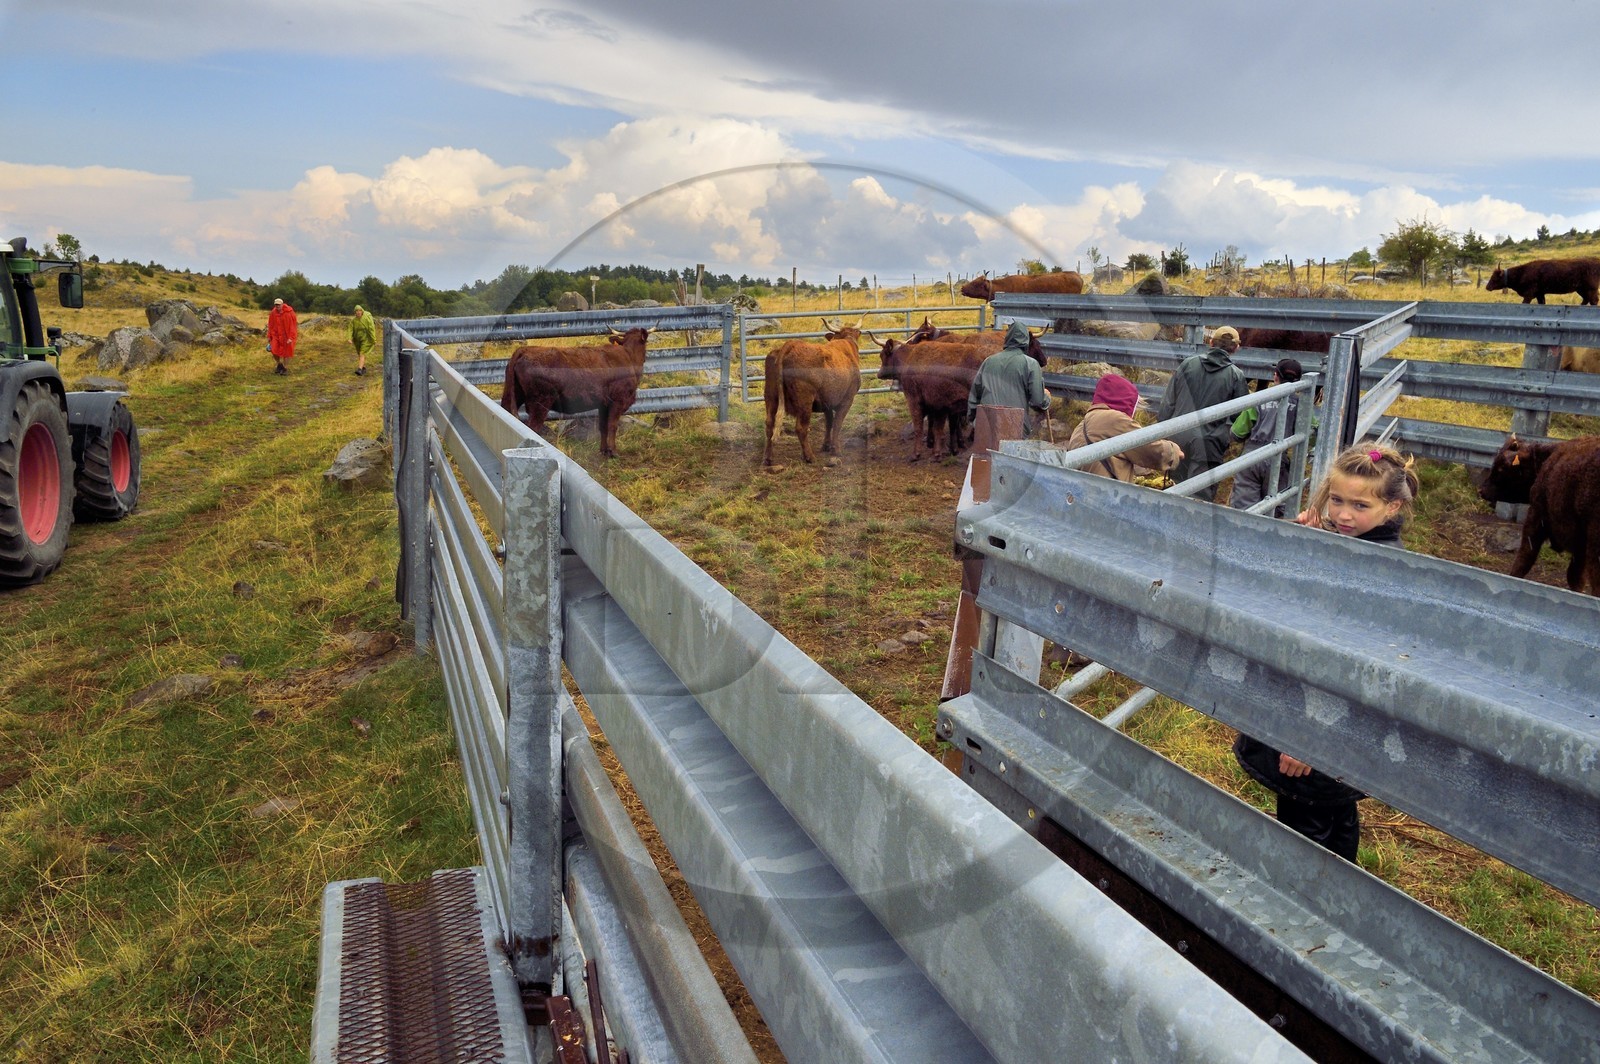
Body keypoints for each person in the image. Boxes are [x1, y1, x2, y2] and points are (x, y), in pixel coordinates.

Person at [1232, 443, 1421, 861]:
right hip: (1336, 730)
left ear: (1392, 508)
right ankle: (1340, 891)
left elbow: (1349, 663)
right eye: (1336, 500)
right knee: (1336, 814)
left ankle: (1306, 908)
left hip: (1316, 728)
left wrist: (1308, 739)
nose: (1343, 514)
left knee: (1306, 836)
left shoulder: (1377, 574)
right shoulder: (1356, 550)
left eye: (1359, 505)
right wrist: (1308, 548)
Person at [1157, 324, 1248, 500]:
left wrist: (1164, 433)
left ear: (1211, 342)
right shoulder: (1236, 376)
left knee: (1174, 490)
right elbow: (1240, 416)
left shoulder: (1187, 364)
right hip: (1209, 444)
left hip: (1178, 436)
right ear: (1236, 348)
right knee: (1200, 498)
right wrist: (1227, 437)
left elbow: (1167, 404)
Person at [1228, 358, 1313, 516]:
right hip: (1279, 458)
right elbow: (1312, 432)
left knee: (1244, 507)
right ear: (1299, 381)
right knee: (1277, 505)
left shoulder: (1259, 399)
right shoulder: (1302, 405)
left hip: (1252, 457)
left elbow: (1237, 433)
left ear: (1275, 376)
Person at [1065, 371, 1183, 481]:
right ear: (1123, 401)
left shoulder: (1084, 423)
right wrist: (1173, 451)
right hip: (1106, 495)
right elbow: (1146, 446)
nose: (1135, 414)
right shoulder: (1113, 419)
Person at [966, 321, 1050, 452]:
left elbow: (974, 396)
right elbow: (1037, 401)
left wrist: (975, 421)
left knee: (985, 466)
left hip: (987, 425)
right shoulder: (1031, 364)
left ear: (1008, 339)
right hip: (1015, 428)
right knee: (1010, 467)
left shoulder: (988, 361)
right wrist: (1047, 399)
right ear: (1026, 342)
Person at [267, 297, 298, 376]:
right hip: (276, 335)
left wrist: (291, 337)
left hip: (287, 335)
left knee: (287, 352)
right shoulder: (273, 312)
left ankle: (285, 368)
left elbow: (292, 326)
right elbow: (270, 324)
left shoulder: (288, 313)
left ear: (282, 304)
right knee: (273, 349)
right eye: (276, 305)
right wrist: (269, 335)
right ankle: (279, 364)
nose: (277, 306)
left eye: (278, 305)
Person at [348, 304, 377, 377]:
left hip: (366, 339)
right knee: (360, 353)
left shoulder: (366, 319)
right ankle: (363, 368)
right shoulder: (353, 321)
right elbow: (350, 329)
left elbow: (371, 329)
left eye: (360, 310)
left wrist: (373, 339)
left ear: (362, 311)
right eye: (357, 311)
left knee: (362, 353)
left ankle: (359, 369)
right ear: (355, 312)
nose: (358, 312)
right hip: (357, 339)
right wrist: (349, 338)